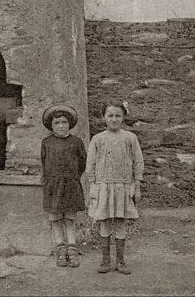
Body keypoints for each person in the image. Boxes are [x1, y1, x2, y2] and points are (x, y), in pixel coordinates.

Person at [87, 100, 144, 274]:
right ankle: (105, 261)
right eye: (110, 115)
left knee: (120, 222)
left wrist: (137, 185)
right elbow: (91, 164)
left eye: (117, 116)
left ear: (123, 117)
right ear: (104, 117)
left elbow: (138, 162)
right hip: (103, 186)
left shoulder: (130, 138)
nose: (114, 119)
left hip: (123, 186)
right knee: (104, 222)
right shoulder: (98, 139)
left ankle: (120, 261)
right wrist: (93, 185)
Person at [41, 104, 87, 268]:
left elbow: (82, 164)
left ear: (69, 124)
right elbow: (44, 163)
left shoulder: (76, 142)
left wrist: (72, 178)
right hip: (53, 186)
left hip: (70, 185)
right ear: (51, 126)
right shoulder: (46, 142)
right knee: (55, 218)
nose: (61, 126)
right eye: (57, 123)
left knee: (69, 218)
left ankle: (72, 249)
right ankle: (60, 249)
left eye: (64, 122)